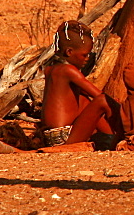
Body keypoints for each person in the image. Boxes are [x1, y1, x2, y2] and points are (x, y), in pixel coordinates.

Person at [41, 20, 122, 148]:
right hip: (62, 137)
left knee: (83, 101)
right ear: (69, 52)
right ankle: (121, 136)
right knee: (102, 101)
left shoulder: (51, 69)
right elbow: (100, 96)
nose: (87, 58)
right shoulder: (69, 71)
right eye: (84, 55)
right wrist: (120, 108)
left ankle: (111, 137)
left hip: (50, 136)